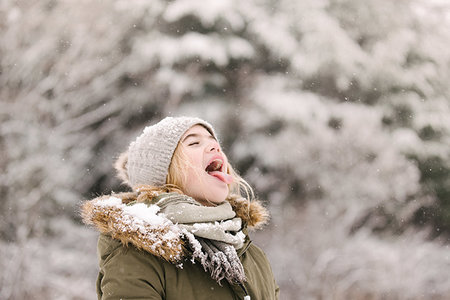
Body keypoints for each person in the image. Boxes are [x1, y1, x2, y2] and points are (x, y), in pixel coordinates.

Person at [81, 116, 279, 299]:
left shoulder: (251, 253)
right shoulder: (136, 254)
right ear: (163, 174)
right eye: (194, 143)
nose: (214, 146)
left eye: (214, 141)